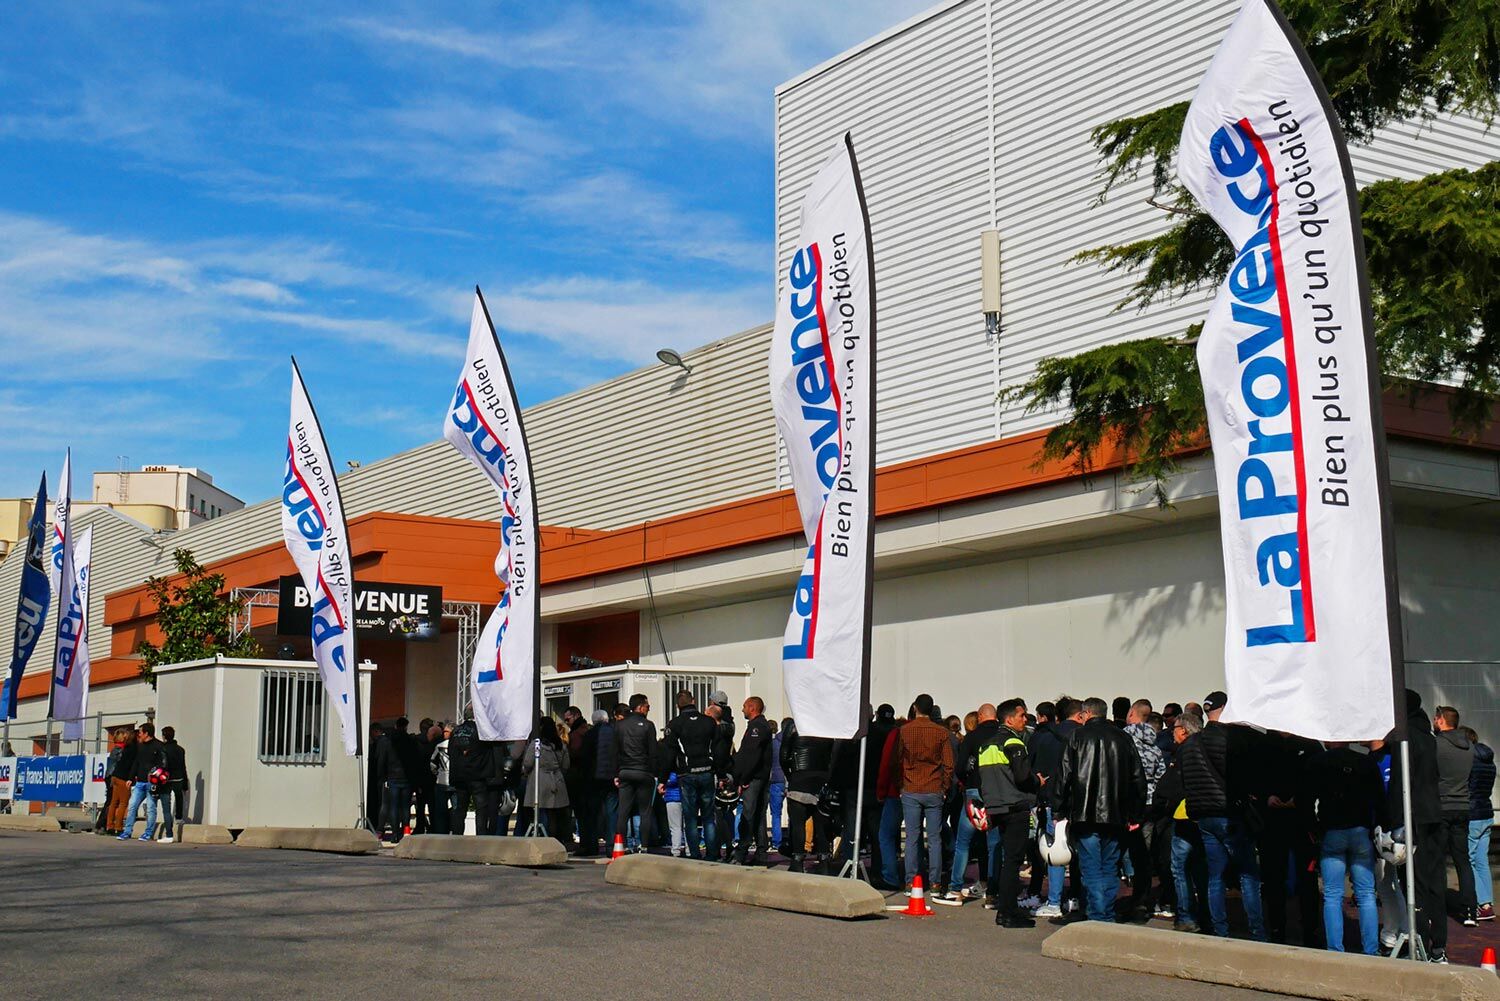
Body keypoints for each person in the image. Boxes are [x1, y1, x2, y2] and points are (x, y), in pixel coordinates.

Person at [1179, 695, 1265, 940]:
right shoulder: (1232, 739)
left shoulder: (1190, 744)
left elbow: (1186, 783)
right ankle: (1257, 931)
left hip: (1204, 816)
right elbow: (1243, 777)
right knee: (1247, 874)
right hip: (1230, 814)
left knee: (1215, 876)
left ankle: (1220, 929)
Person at [1056, 697, 1146, 924]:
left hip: (1085, 813)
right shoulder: (1123, 738)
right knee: (1109, 866)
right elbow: (1138, 778)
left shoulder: (1077, 736)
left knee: (1092, 868)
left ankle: (1099, 916)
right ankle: (1105, 913)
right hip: (1116, 813)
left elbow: (1064, 775)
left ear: (1086, 714)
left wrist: (1059, 808)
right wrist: (1135, 813)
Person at [1302, 740, 1384, 954]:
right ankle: (1371, 950)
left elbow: (1306, 798)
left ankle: (1335, 949)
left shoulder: (1317, 762)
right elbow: (1378, 799)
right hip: (1360, 829)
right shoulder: (1364, 762)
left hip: (1332, 830)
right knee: (1366, 893)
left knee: (1332, 894)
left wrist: (1313, 826)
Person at [978, 699, 1037, 927]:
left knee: (1006, 859)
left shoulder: (986, 745)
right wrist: (1036, 781)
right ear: (1009, 718)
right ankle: (1008, 912)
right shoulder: (1014, 742)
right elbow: (1023, 777)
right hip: (1015, 805)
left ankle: (1005, 908)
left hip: (996, 807)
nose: (1025, 719)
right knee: (1013, 861)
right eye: (1022, 715)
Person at [895, 693, 954, 893]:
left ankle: (912, 881)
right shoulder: (941, 732)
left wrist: (900, 785)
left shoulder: (904, 730)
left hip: (911, 787)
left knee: (912, 836)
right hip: (934, 787)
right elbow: (949, 764)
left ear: (915, 708)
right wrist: (944, 787)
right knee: (935, 837)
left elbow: (898, 760)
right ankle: (935, 882)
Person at [1030, 696, 1082, 918]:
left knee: (1055, 852)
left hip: (1053, 800)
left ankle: (1054, 900)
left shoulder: (1045, 739)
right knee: (1080, 852)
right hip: (1081, 802)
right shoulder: (1084, 737)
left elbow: (1037, 769)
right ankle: (1077, 897)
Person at [943, 702, 1001, 902]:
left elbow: (959, 767)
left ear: (979, 716)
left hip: (974, 793)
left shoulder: (972, 738)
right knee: (994, 844)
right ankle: (992, 892)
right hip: (998, 795)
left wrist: (966, 780)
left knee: (963, 843)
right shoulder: (1005, 736)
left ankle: (955, 889)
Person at [661, 690, 720, 861]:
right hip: (707, 771)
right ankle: (711, 853)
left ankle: (694, 853)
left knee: (691, 817)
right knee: (709, 817)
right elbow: (718, 749)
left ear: (677, 705)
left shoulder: (674, 724)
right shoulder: (709, 722)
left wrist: (663, 779)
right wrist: (721, 774)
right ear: (693, 701)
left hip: (686, 774)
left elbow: (668, 754)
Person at [1433, 706, 1478, 926]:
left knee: (1438, 860)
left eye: (1436, 717)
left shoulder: (1437, 744)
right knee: (1463, 860)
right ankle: (1470, 910)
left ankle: (1438, 907)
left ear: (1441, 721)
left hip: (1441, 806)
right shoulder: (1469, 746)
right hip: (1462, 806)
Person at [1159, 712, 1203, 932]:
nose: (1172, 733)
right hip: (1205, 814)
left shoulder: (1185, 752)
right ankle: (1207, 914)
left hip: (1184, 814)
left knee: (1180, 867)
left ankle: (1186, 915)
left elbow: (1170, 786)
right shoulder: (1207, 747)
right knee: (1202, 868)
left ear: (1183, 730)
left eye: (1174, 728)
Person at [1123, 699, 1165, 920]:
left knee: (1115, 852)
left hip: (1126, 803)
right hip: (1148, 805)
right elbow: (1161, 778)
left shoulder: (1122, 741)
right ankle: (1141, 900)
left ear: (1131, 714)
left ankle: (1107, 900)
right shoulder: (1155, 747)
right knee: (1143, 855)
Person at [779, 718, 833, 873]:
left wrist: (790, 776)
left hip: (799, 778)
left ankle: (797, 860)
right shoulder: (827, 726)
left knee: (798, 823)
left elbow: (783, 756)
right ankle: (823, 860)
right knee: (821, 823)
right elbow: (832, 755)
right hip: (821, 779)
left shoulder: (794, 726)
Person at [614, 694, 661, 853]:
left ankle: (620, 845)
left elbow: (616, 751)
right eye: (648, 706)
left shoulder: (620, 725)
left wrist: (616, 772)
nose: (649, 709)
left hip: (625, 771)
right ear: (640, 707)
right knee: (645, 811)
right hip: (643, 771)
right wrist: (655, 773)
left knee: (623, 810)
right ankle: (644, 845)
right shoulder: (648, 725)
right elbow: (653, 752)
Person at [733, 696, 773, 865]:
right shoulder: (762, 726)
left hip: (754, 779)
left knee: (748, 815)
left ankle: (742, 851)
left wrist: (744, 779)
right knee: (759, 816)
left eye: (744, 707)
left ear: (752, 708)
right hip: (761, 778)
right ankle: (761, 852)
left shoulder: (757, 727)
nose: (742, 710)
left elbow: (751, 755)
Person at [520, 716, 571, 839]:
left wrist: (525, 772)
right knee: (553, 813)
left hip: (540, 779)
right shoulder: (560, 744)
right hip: (557, 780)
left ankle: (542, 839)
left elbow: (527, 763)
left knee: (539, 812)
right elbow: (566, 765)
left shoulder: (536, 744)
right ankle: (555, 839)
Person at [1463, 725, 1494, 921]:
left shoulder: (1469, 762)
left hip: (1472, 814)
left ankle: (1482, 903)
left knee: (1470, 859)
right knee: (1482, 861)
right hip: (1487, 812)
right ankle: (1488, 902)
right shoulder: (1489, 762)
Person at [117, 723, 167, 842]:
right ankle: (127, 831)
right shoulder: (140, 746)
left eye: (140, 732)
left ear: (146, 733)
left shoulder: (159, 746)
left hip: (152, 783)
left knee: (150, 808)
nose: (138, 735)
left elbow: (163, 764)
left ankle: (148, 833)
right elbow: (136, 762)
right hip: (139, 782)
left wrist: (157, 776)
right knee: (132, 805)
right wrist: (130, 777)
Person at [448, 717, 497, 835]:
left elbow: (450, 751)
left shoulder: (455, 731)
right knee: (481, 809)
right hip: (477, 775)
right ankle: (481, 836)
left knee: (460, 809)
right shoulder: (481, 730)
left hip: (459, 775)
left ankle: (457, 837)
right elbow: (488, 749)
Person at [158, 726, 187, 844]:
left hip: (166, 779)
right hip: (179, 777)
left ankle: (169, 834)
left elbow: (162, 765)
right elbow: (183, 766)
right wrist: (185, 782)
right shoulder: (180, 749)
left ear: (164, 736)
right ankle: (179, 817)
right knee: (179, 796)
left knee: (166, 807)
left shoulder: (163, 749)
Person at [106, 728, 138, 836]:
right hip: (123, 777)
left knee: (113, 802)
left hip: (115, 775)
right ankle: (118, 827)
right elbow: (132, 765)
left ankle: (109, 825)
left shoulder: (126, 747)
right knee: (123, 803)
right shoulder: (134, 748)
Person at [429, 722, 453, 835]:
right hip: (454, 780)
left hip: (441, 780)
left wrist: (436, 773)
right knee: (456, 809)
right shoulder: (459, 746)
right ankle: (455, 830)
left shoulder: (439, 746)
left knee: (440, 810)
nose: (444, 733)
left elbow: (432, 762)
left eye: (446, 731)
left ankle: (441, 832)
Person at [768, 719, 786, 853]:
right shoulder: (785, 743)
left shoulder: (772, 744)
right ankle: (780, 841)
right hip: (783, 779)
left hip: (772, 780)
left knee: (773, 813)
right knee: (780, 814)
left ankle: (774, 842)